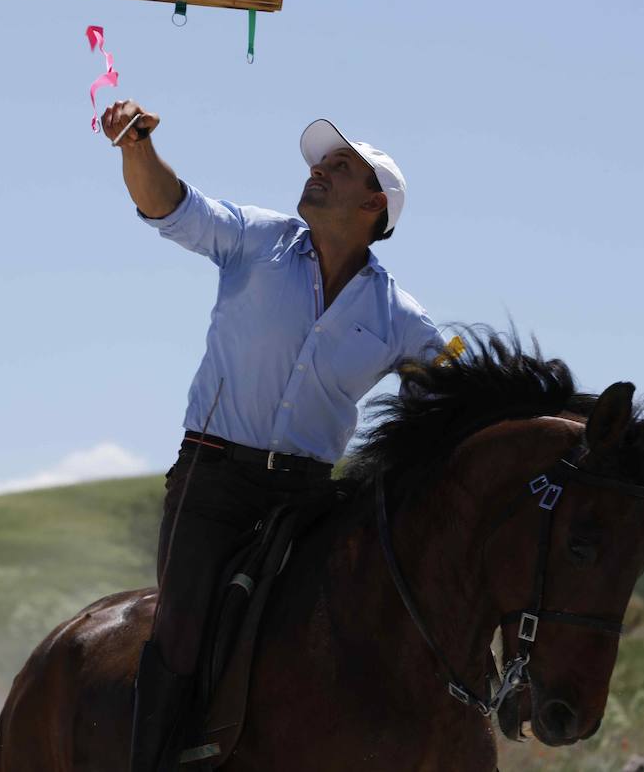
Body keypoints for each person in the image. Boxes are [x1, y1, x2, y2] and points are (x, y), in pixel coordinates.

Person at [99, 99, 447, 772]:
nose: (318, 170)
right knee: (181, 634)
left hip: (311, 500)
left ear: (374, 204)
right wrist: (135, 147)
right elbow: (171, 205)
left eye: (339, 168)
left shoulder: (399, 316)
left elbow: (456, 381)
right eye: (321, 162)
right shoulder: (255, 238)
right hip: (213, 485)